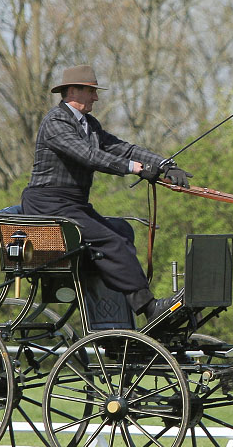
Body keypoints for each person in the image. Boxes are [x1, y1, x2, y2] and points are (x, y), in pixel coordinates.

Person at [21, 64, 192, 321]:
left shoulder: (89, 124)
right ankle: (149, 308)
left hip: (72, 205)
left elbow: (121, 148)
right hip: (49, 204)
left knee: (122, 231)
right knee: (111, 241)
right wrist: (135, 169)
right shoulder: (56, 123)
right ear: (73, 91)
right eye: (92, 91)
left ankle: (114, 313)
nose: (96, 97)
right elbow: (89, 156)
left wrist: (164, 164)